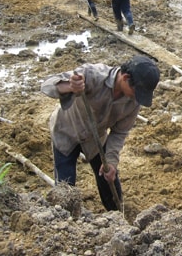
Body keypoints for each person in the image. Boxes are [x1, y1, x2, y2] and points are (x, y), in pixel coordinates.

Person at [41, 56, 160, 211]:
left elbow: (119, 133)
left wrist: (111, 162)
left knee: (110, 181)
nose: (136, 98)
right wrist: (69, 86)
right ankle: (64, 221)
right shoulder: (92, 75)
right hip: (66, 132)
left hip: (95, 139)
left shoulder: (133, 102)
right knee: (65, 189)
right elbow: (47, 85)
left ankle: (117, 217)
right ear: (125, 78)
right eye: (136, 92)